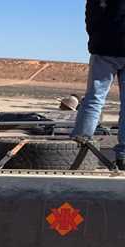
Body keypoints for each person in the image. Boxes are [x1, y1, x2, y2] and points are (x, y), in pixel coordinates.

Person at [71, 0, 125, 170]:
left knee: (95, 98)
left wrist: (95, 37)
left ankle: (78, 146)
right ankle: (123, 156)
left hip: (104, 48)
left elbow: (91, 15)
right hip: (105, 46)